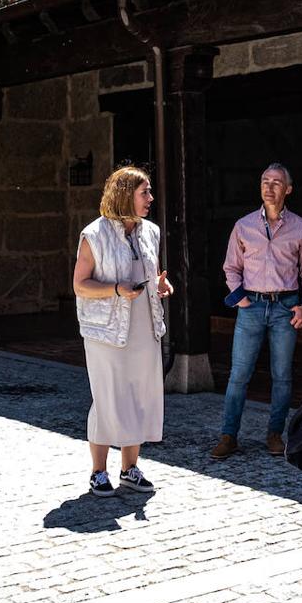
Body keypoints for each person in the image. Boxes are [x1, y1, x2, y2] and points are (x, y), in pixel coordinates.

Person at [73, 165, 173, 497]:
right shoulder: (94, 235)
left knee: (139, 396)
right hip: (106, 330)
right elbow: (80, 285)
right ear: (124, 194)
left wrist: (160, 284)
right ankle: (98, 472)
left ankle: (130, 468)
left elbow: (152, 271)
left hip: (144, 325)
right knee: (108, 398)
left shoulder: (151, 232)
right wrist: (116, 289)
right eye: (144, 192)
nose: (151, 199)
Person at [211, 163, 302, 460]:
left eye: (276, 183)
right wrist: (240, 300)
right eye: (264, 181)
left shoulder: (301, 228)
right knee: (239, 374)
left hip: (286, 308)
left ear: (288, 189)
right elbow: (231, 267)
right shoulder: (243, 225)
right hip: (251, 306)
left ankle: (275, 434)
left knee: (282, 375)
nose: (269, 187)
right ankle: (229, 435)